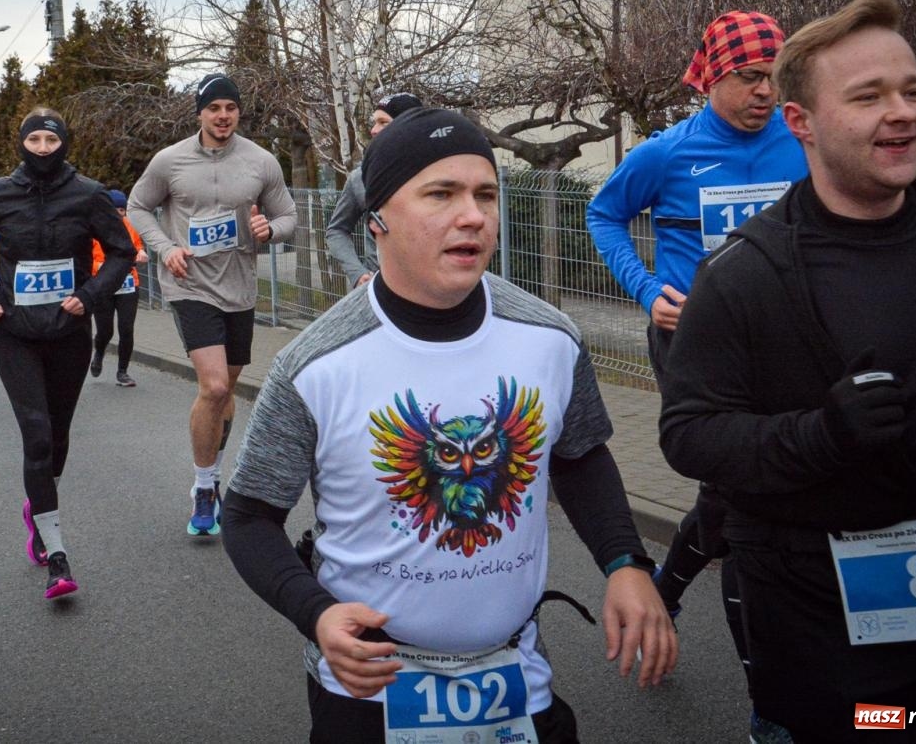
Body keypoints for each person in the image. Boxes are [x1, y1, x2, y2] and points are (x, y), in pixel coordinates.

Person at [223, 107, 676, 743]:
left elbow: (578, 456)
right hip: (367, 685)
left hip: (516, 673)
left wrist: (625, 562)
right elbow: (246, 517)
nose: (474, 215)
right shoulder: (314, 364)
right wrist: (316, 615)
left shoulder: (548, 336)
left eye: (485, 193)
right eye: (441, 193)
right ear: (377, 219)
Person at [659, 0, 916, 741]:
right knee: (881, 730)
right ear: (804, 123)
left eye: (914, 91)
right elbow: (691, 436)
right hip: (823, 633)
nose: (905, 113)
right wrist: (822, 435)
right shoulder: (745, 274)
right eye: (869, 97)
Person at [585, 9, 807, 734]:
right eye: (749, 77)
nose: (765, 92)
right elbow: (603, 214)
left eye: (775, 77)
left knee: (739, 497)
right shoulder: (668, 152)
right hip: (694, 348)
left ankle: (666, 585)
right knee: (743, 502)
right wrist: (651, 295)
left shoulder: (804, 141)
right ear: (712, 77)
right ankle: (772, 713)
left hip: (782, 345)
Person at [0, 108, 135, 601]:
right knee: (36, 437)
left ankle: (38, 502)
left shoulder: (88, 194)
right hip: (15, 333)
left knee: (57, 438)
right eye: (33, 139)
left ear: (64, 143)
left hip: (68, 333)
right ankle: (57, 553)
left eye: (49, 140)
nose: (41, 148)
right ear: (22, 144)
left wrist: (93, 294)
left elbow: (121, 250)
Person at [128, 72, 297, 539]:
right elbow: (137, 206)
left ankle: (215, 470)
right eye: (213, 108)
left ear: (238, 112)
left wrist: (272, 232)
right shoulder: (170, 161)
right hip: (189, 284)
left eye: (230, 108)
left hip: (239, 287)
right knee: (215, 384)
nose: (222, 116)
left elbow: (288, 216)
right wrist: (165, 247)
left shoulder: (261, 162)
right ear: (200, 113)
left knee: (227, 391)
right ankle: (204, 487)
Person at [325, 91, 422, 289]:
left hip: (431, 291)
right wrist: (358, 274)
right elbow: (336, 231)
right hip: (379, 291)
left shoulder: (439, 175)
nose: (373, 130)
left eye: (383, 122)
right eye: (374, 122)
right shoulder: (360, 178)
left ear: (409, 127)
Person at [89, 189, 146, 387]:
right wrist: (98, 268)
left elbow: (138, 247)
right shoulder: (94, 229)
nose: (119, 214)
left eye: (122, 210)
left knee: (126, 328)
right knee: (105, 331)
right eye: (115, 210)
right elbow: (85, 257)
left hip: (128, 284)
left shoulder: (130, 227)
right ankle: (99, 352)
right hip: (103, 285)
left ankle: (123, 372)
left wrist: (141, 254)